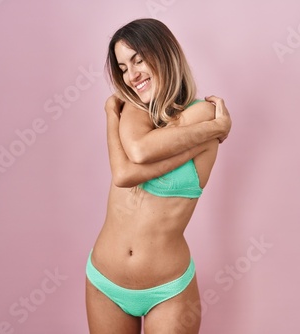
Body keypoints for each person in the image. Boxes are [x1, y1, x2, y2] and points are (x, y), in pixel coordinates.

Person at [85, 18, 231, 334]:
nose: (131, 74)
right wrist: (112, 114)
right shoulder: (134, 109)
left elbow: (133, 163)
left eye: (138, 59)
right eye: (123, 67)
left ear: (165, 53)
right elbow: (130, 164)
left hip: (168, 290)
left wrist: (213, 126)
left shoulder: (201, 113)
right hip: (103, 280)